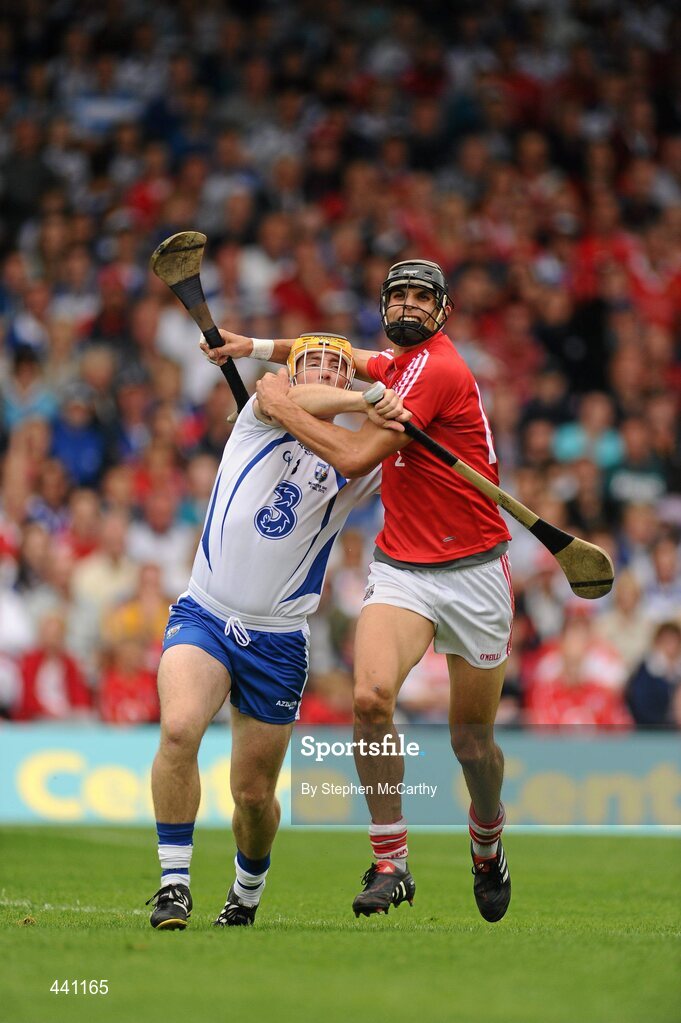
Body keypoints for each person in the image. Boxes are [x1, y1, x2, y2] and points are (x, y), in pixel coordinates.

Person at [208, 259, 515, 923]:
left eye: (420, 297)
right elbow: (337, 354)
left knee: (471, 744)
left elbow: (348, 459)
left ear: (442, 311)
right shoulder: (395, 364)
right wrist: (253, 347)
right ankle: (390, 861)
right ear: (385, 306)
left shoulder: (437, 370)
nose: (407, 305)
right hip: (402, 567)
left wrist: (282, 406)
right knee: (371, 699)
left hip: (474, 573)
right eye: (397, 295)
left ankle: (486, 839)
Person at [146, 332, 407, 930]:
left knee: (254, 797)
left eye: (330, 368)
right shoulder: (259, 414)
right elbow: (274, 389)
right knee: (180, 728)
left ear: (345, 381)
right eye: (305, 363)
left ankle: (246, 889)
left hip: (279, 639)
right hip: (206, 613)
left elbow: (395, 448)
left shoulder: (352, 458)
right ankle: (174, 884)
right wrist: (372, 399)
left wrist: (391, 415)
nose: (314, 374)